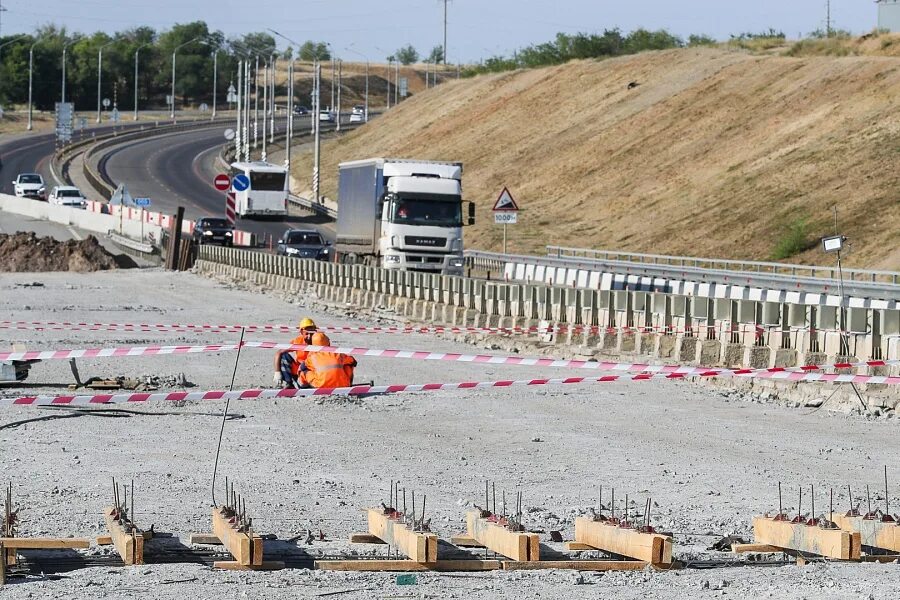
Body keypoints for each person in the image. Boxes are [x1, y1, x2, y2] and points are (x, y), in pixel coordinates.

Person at [273, 318, 317, 388]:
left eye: (312, 333)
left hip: (312, 370)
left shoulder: (319, 340)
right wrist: (277, 373)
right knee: (284, 356)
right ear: (302, 332)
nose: (309, 336)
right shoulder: (298, 341)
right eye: (307, 333)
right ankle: (289, 383)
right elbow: (278, 353)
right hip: (299, 369)